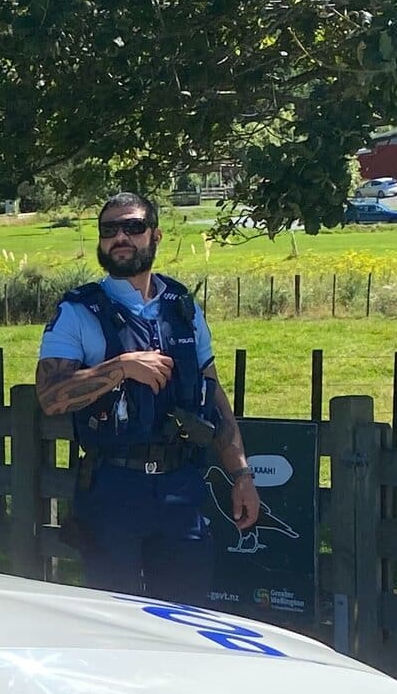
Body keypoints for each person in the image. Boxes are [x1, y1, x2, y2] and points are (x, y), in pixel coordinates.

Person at [36, 191, 260, 600]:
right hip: (112, 488)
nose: (120, 237)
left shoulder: (182, 307)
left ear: (155, 236)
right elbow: (50, 397)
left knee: (184, 614)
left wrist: (242, 475)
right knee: (115, 614)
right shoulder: (78, 311)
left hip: (181, 486)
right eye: (109, 230)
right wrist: (121, 367)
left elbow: (213, 394)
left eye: (133, 227)